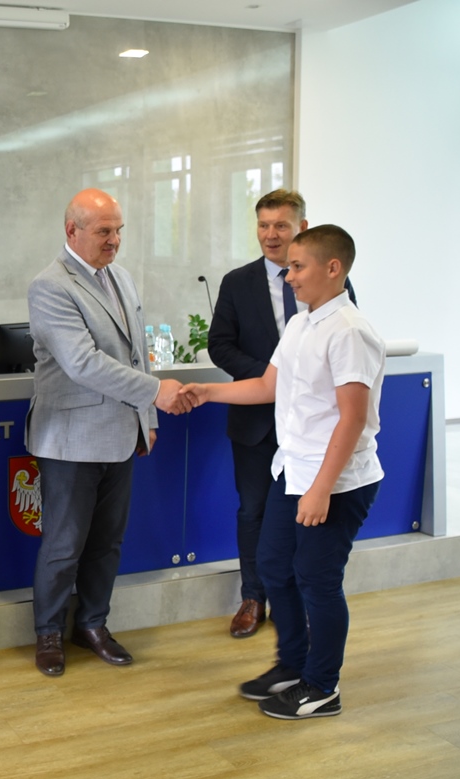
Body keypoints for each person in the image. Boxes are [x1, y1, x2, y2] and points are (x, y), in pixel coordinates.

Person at [183, 224, 383, 720]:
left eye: (297, 266)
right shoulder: (300, 324)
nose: (288, 276)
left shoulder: (350, 331)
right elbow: (268, 387)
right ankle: (293, 665)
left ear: (332, 268)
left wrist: (321, 490)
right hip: (291, 471)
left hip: (334, 481)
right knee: (274, 567)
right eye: (288, 267)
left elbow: (352, 419)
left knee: (317, 580)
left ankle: (322, 686)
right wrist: (207, 392)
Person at [27, 188, 187, 677]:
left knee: (107, 542)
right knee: (63, 544)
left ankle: (92, 624)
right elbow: (83, 363)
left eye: (118, 230)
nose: (114, 240)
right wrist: (155, 393)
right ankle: (49, 633)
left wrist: (147, 418)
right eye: (103, 231)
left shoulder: (121, 277)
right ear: (71, 230)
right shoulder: (50, 285)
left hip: (121, 433)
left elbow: (137, 354)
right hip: (70, 438)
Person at [209, 190, 356, 638]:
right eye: (263, 225)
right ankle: (253, 597)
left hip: (313, 430)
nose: (270, 235)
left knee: (305, 515)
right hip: (256, 424)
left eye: (280, 226)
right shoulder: (237, 282)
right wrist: (275, 378)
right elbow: (220, 345)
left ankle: (296, 602)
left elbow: (341, 353)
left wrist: (288, 382)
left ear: (301, 228)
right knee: (254, 512)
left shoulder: (331, 283)